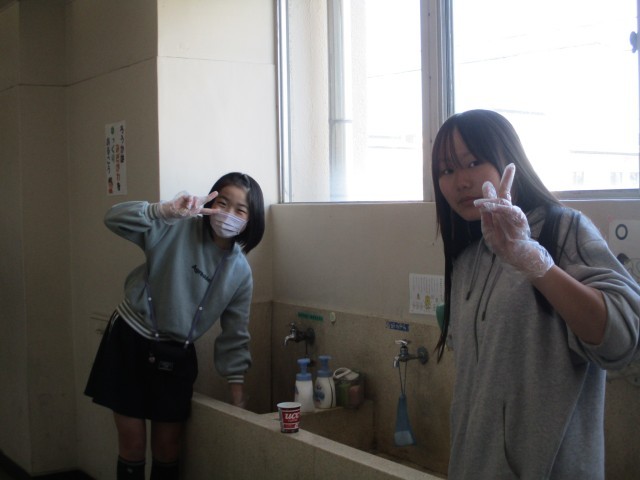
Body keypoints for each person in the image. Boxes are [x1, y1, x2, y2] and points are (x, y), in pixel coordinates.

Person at [431, 109, 640, 479]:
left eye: (473, 162)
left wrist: (535, 263)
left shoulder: (565, 229)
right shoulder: (467, 258)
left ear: (507, 159)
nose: (460, 181)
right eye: (446, 170)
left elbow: (622, 341)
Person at [85, 172, 265, 480]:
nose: (228, 214)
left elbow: (235, 333)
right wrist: (162, 211)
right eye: (222, 203)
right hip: (130, 338)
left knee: (168, 448)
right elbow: (113, 219)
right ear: (210, 202)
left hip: (177, 354)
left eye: (240, 209)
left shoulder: (240, 271)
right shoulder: (176, 227)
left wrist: (236, 391)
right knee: (132, 444)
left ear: (252, 219)